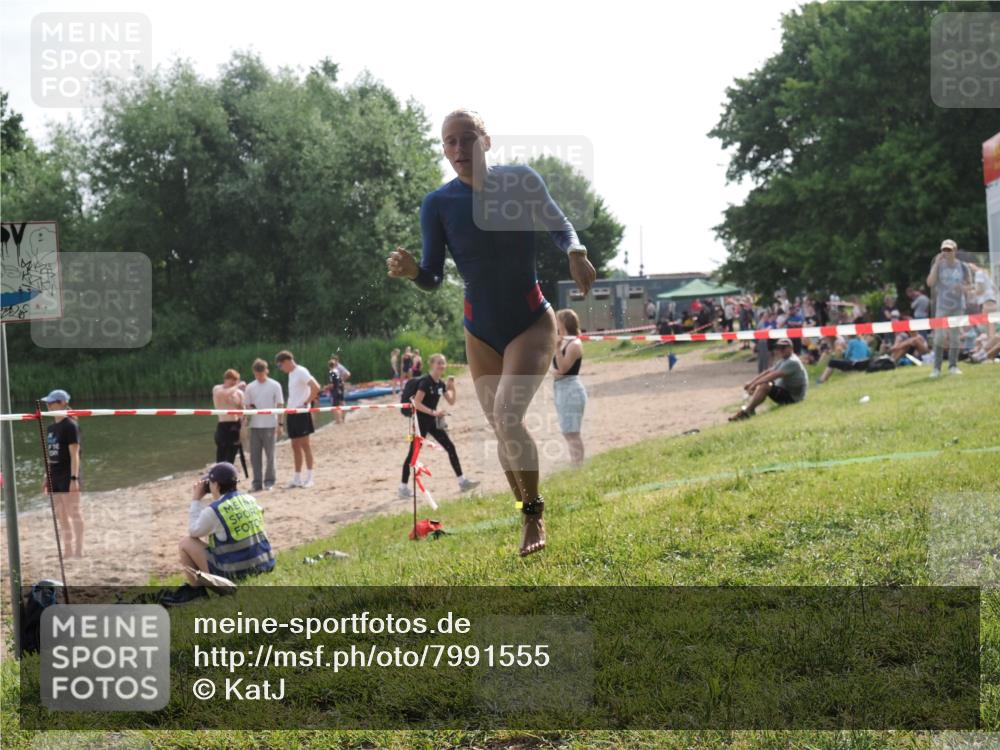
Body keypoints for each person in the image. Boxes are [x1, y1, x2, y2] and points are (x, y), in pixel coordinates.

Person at [387, 109, 596, 556]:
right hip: (479, 331)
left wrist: (576, 252)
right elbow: (433, 279)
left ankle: (534, 516)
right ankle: (527, 510)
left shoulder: (521, 182)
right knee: (502, 429)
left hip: (530, 321)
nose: (459, 149)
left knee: (507, 417)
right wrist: (412, 274)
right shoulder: (437, 204)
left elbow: (560, 225)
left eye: (467, 138)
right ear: (443, 149)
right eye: (450, 142)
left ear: (487, 140)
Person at [171, 461, 275, 603]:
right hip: (264, 564)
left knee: (185, 543)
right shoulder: (250, 499)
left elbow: (193, 531)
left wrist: (196, 499)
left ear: (217, 485)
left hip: (236, 573)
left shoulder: (214, 510)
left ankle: (196, 593)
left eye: (210, 483)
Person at [399, 354, 480, 498]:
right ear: (431, 365)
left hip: (433, 421)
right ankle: (403, 488)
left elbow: (451, 401)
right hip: (420, 421)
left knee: (450, 447)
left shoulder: (440, 384)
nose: (442, 366)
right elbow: (416, 403)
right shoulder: (425, 382)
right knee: (413, 453)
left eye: (443, 363)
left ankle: (462, 482)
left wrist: (452, 388)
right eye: (439, 363)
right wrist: (433, 412)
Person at [41, 389, 84, 558]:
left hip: (68, 474)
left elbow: (75, 455)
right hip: (55, 475)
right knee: (60, 515)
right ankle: (67, 549)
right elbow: (50, 454)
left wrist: (74, 478)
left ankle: (79, 548)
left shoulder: (70, 425)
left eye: (52, 402)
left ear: (62, 403)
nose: (48, 405)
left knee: (74, 512)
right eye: (48, 403)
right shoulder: (51, 427)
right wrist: (46, 476)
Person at [729, 339, 807, 421]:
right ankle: (749, 410)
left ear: (791, 348)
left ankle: (748, 411)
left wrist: (754, 384)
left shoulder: (792, 361)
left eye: (783, 347)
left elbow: (773, 375)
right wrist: (752, 382)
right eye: (778, 347)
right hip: (788, 393)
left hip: (793, 398)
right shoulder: (785, 359)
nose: (780, 350)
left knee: (765, 385)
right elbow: (768, 371)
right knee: (764, 384)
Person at [927, 239, 972, 378]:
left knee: (954, 337)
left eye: (949, 250)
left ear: (955, 251)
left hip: (958, 306)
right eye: (944, 250)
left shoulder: (963, 266)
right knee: (939, 337)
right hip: (942, 306)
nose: (946, 252)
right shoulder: (938, 266)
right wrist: (935, 264)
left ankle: (953, 366)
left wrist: (962, 288)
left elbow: (970, 286)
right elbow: (930, 283)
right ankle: (936, 368)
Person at [275, 350, 321, 488]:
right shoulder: (291, 374)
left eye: (280, 366)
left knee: (305, 445)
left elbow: (316, 387)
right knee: (294, 445)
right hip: (292, 413)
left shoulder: (301, 371)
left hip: (301, 413)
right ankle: (297, 477)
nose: (280, 369)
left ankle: (310, 478)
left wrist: (306, 402)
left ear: (287, 361)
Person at [551, 309, 587, 465]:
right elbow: (556, 370)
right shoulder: (563, 340)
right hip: (561, 389)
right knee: (567, 432)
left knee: (572, 432)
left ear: (564, 323)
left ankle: (577, 465)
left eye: (558, 320)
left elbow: (564, 369)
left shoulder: (574, 344)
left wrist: (557, 349)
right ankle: (575, 463)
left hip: (571, 390)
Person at [243, 359, 284, 492]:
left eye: (261, 374)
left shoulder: (275, 385)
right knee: (254, 456)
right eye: (257, 374)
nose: (259, 377)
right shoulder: (250, 387)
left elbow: (280, 405)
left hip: (270, 424)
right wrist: (246, 419)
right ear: (254, 373)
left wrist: (280, 424)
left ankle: (269, 481)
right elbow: (247, 405)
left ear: (266, 371)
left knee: (270, 455)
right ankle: (256, 482)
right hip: (254, 426)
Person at [212, 369, 245, 464]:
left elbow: (242, 411)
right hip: (223, 424)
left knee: (232, 454)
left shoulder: (239, 393)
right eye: (232, 380)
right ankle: (220, 476)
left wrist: (243, 425)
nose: (234, 383)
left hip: (235, 425)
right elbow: (225, 394)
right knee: (221, 454)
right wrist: (237, 386)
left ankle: (229, 476)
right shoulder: (217, 389)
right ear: (226, 379)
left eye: (236, 381)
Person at [969, 262, 998, 336]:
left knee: (989, 328)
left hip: (986, 302)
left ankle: (989, 345)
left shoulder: (978, 274)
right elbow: (995, 289)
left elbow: (979, 290)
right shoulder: (985, 274)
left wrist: (972, 292)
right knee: (991, 327)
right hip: (992, 301)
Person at [327, 355, 351, 425]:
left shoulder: (338, 368)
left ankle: (339, 420)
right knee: (342, 403)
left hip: (337, 388)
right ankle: (342, 419)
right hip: (339, 387)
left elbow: (348, 374)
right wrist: (340, 381)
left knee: (337, 405)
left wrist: (341, 381)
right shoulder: (337, 369)